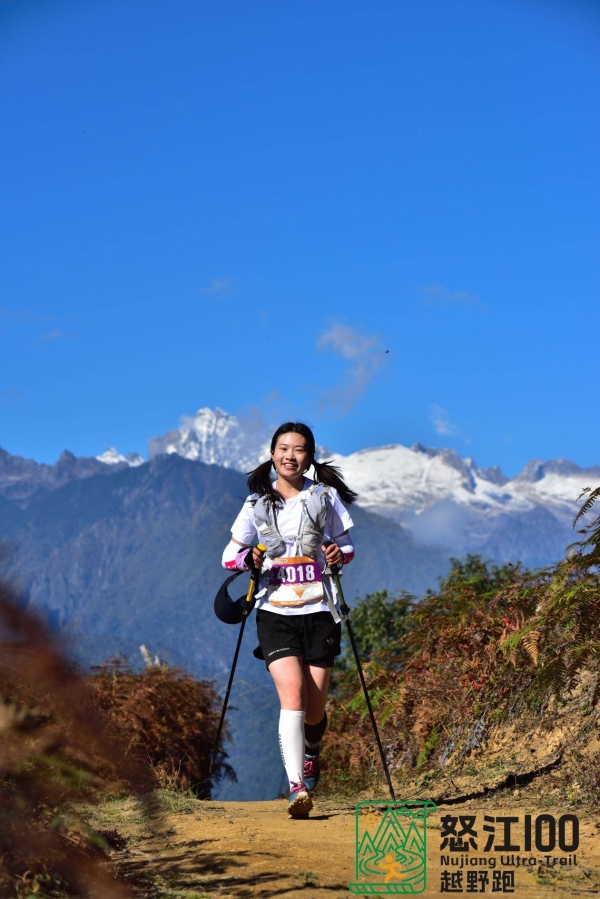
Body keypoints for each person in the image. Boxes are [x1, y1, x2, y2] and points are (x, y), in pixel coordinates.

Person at [222, 421, 357, 818]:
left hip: (319, 610)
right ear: (271, 453)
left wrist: (337, 555)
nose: (290, 456)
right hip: (274, 611)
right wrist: (250, 559)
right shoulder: (255, 504)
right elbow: (229, 556)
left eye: (298, 450)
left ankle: (312, 748)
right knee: (293, 695)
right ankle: (297, 787)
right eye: (283, 448)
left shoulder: (326, 497)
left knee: (314, 709)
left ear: (310, 457)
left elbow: (347, 546)